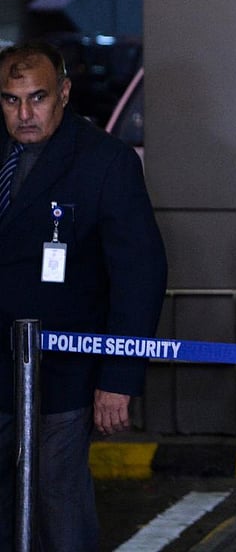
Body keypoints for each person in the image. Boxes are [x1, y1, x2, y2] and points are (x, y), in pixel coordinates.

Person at [0, 42, 167, 550]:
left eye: (38, 98)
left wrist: (118, 377)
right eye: (11, 100)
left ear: (65, 93)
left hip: (64, 372)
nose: (24, 114)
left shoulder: (105, 161)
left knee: (60, 504)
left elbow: (139, 275)